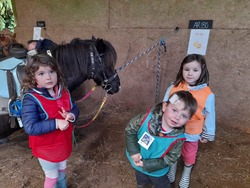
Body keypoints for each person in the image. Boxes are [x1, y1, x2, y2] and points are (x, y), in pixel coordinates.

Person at [21, 54, 79, 188]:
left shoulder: (64, 92)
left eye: (52, 72)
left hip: (62, 142)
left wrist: (71, 115)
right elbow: (30, 127)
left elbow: (75, 108)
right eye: (41, 73)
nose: (48, 77)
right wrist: (56, 123)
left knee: (62, 169)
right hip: (46, 147)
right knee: (52, 176)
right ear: (33, 78)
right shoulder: (31, 98)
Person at [163, 54, 216, 188]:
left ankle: (186, 173)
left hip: (192, 130)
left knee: (189, 153)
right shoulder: (174, 87)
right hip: (173, 128)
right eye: (186, 69)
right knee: (172, 149)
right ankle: (172, 169)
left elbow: (210, 114)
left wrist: (208, 133)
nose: (190, 74)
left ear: (202, 70)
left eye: (195, 70)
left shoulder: (207, 93)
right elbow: (165, 104)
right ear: (181, 69)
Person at [125, 91, 198, 188]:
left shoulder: (178, 138)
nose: (177, 117)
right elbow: (130, 130)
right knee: (141, 179)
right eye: (175, 110)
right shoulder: (145, 120)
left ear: (188, 119)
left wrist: (147, 165)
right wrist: (133, 151)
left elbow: (170, 158)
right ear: (164, 106)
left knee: (161, 185)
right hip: (137, 162)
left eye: (184, 116)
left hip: (157, 172)